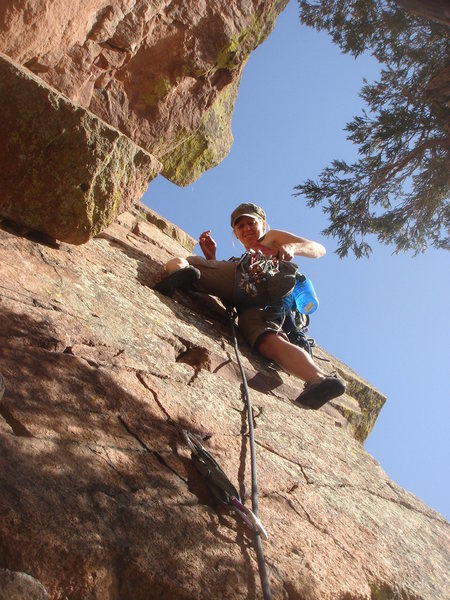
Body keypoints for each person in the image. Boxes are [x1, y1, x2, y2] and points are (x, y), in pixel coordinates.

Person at [155, 202, 346, 409]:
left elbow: (319, 249)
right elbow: (224, 284)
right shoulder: (240, 257)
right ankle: (319, 379)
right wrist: (212, 258)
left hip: (256, 282)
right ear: (235, 234)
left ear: (263, 224)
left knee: (186, 261)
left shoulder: (271, 239)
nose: (246, 229)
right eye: (240, 226)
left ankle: (178, 272)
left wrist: (293, 247)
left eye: (251, 223)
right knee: (264, 340)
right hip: (252, 303)